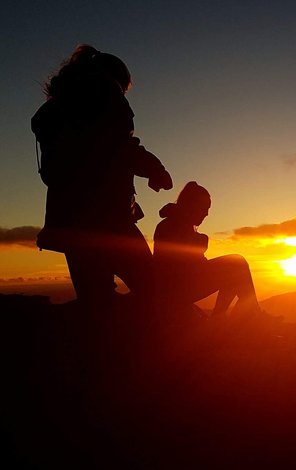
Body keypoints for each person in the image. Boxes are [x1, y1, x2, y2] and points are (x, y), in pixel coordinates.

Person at [31, 44, 173, 307]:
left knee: (97, 302)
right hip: (109, 218)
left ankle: (105, 345)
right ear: (116, 78)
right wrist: (156, 171)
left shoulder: (58, 107)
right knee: (153, 289)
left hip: (68, 222)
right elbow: (121, 145)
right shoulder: (105, 91)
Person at [153, 182, 265, 318]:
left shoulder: (175, 223)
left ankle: (229, 317)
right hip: (178, 289)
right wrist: (202, 238)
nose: (206, 213)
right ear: (192, 206)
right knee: (237, 263)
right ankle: (250, 315)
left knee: (233, 270)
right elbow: (195, 249)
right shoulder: (174, 225)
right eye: (204, 208)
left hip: (179, 286)